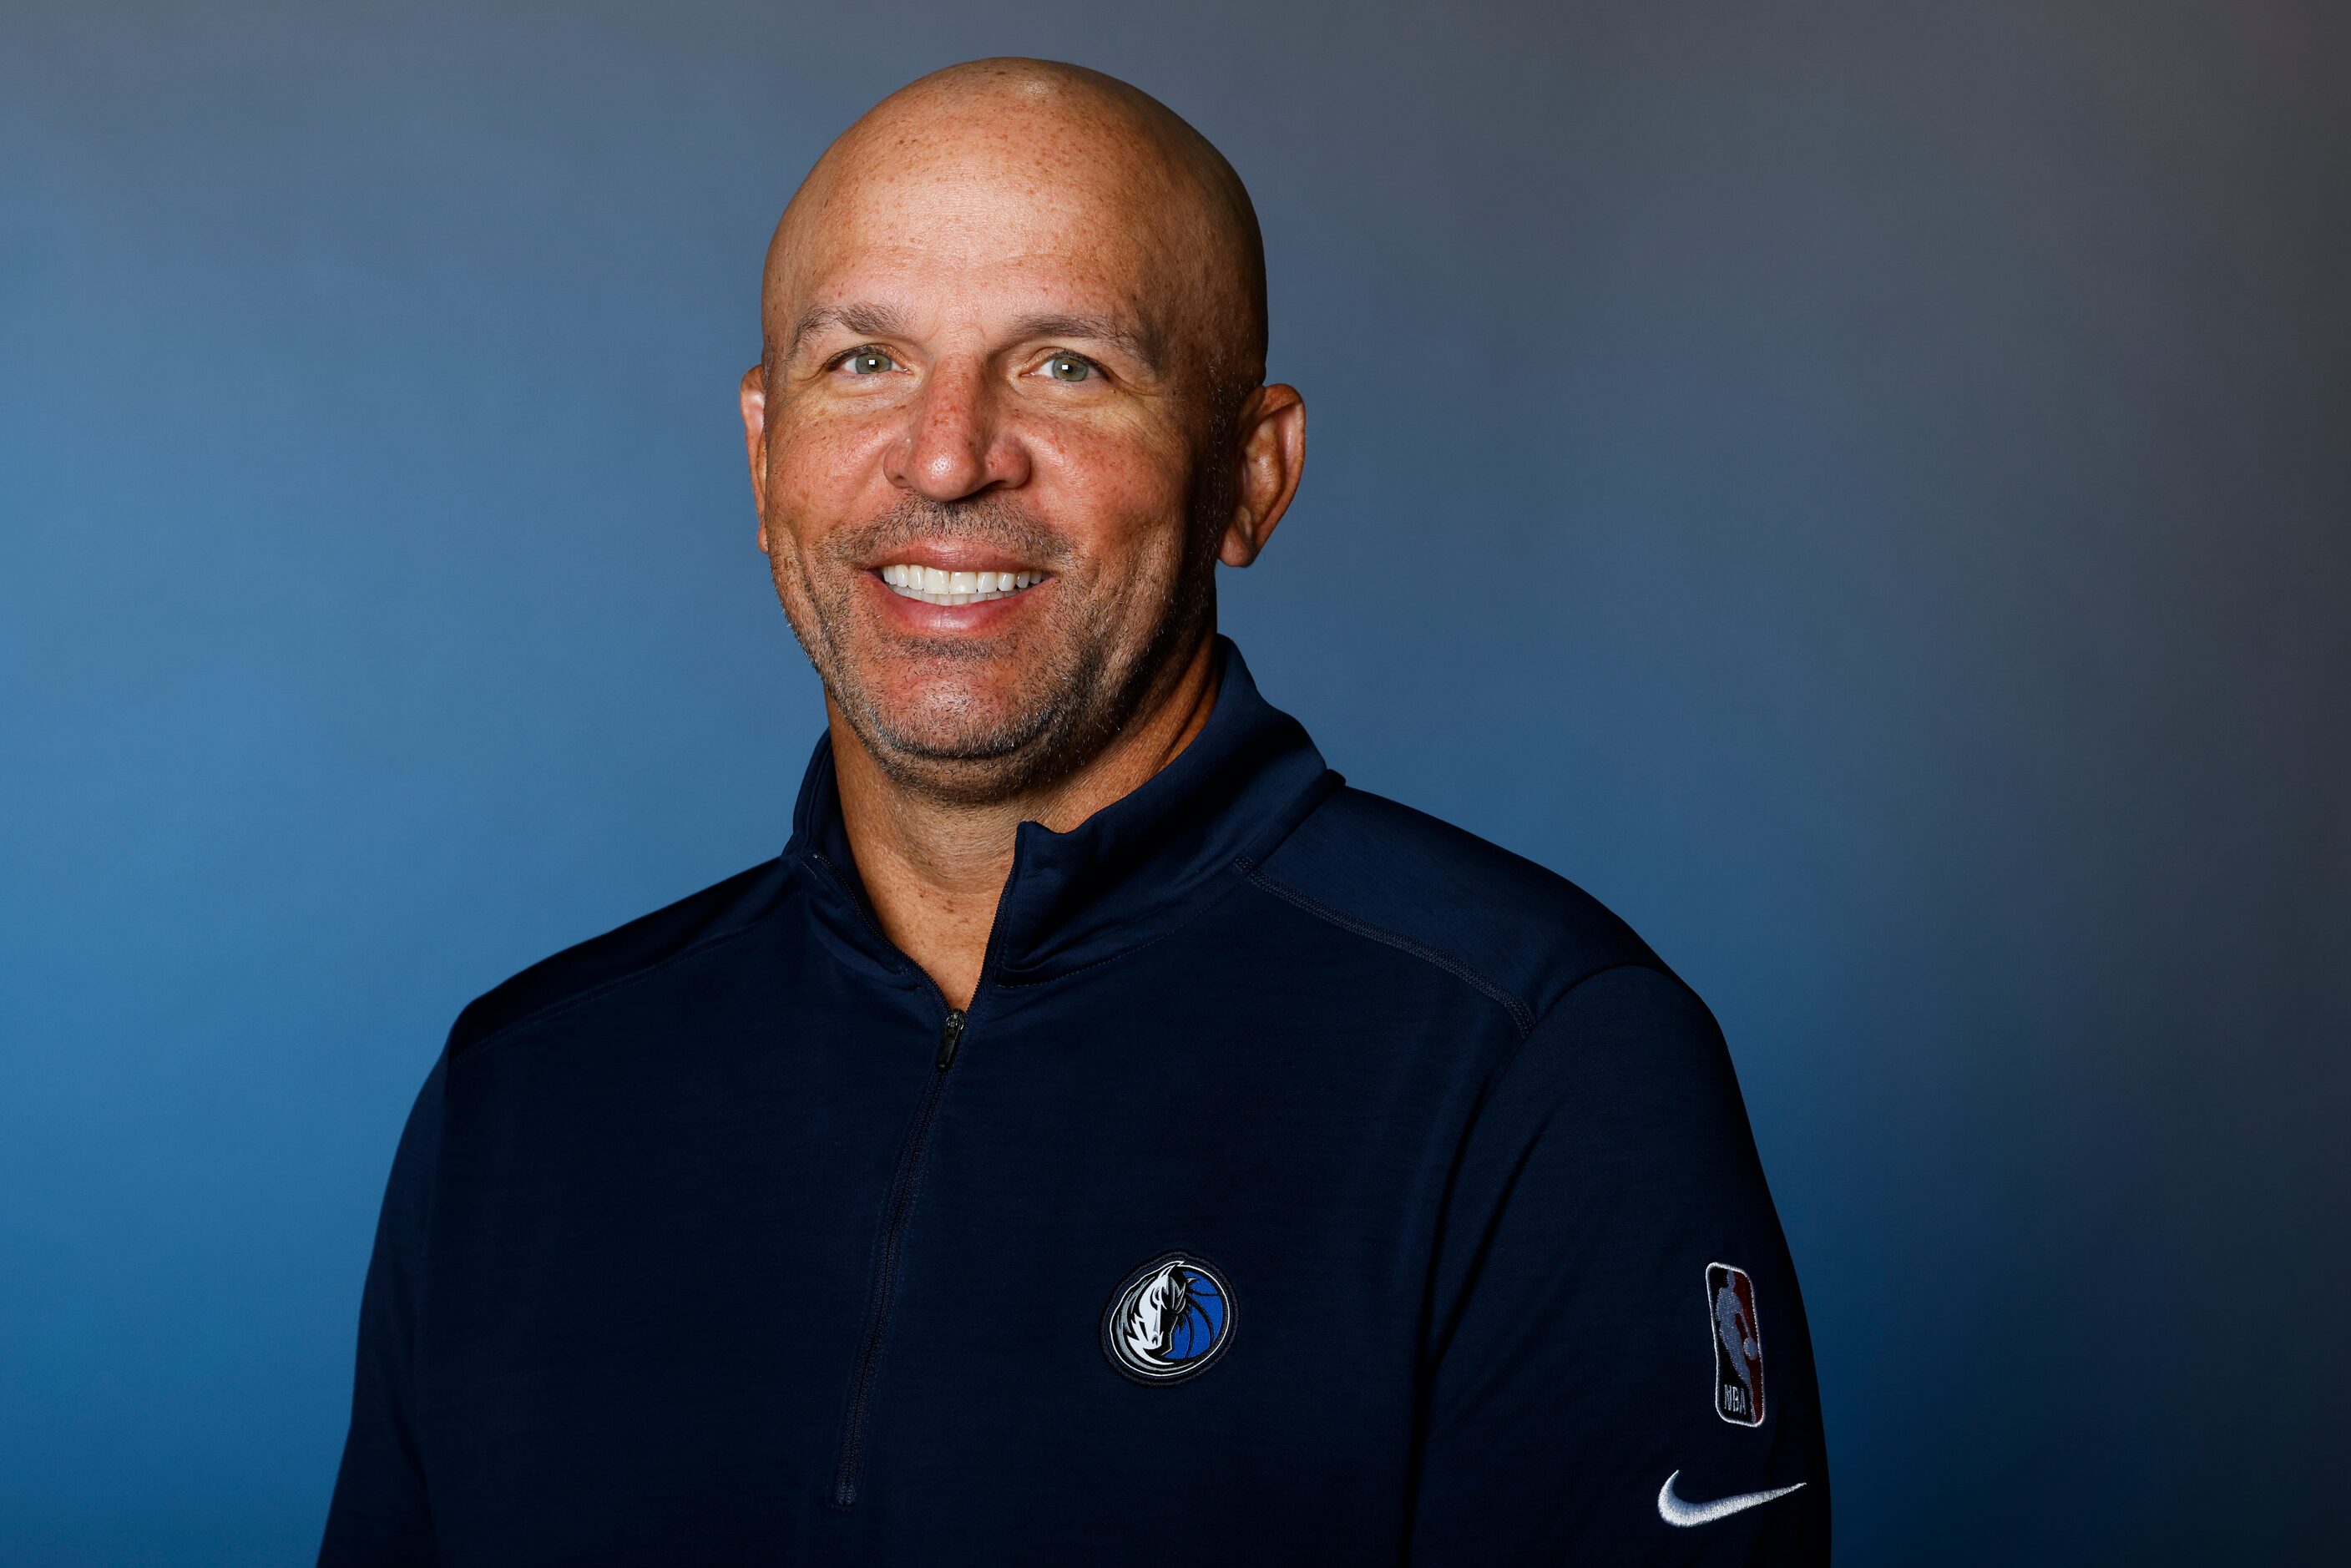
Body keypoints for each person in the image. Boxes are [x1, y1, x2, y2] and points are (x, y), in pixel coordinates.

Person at [319, 57, 1829, 1565]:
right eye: (865, 361)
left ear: (1252, 471)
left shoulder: (1534, 1063)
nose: (948, 454)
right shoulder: (527, 1090)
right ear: (765, 447)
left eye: (1066, 365)